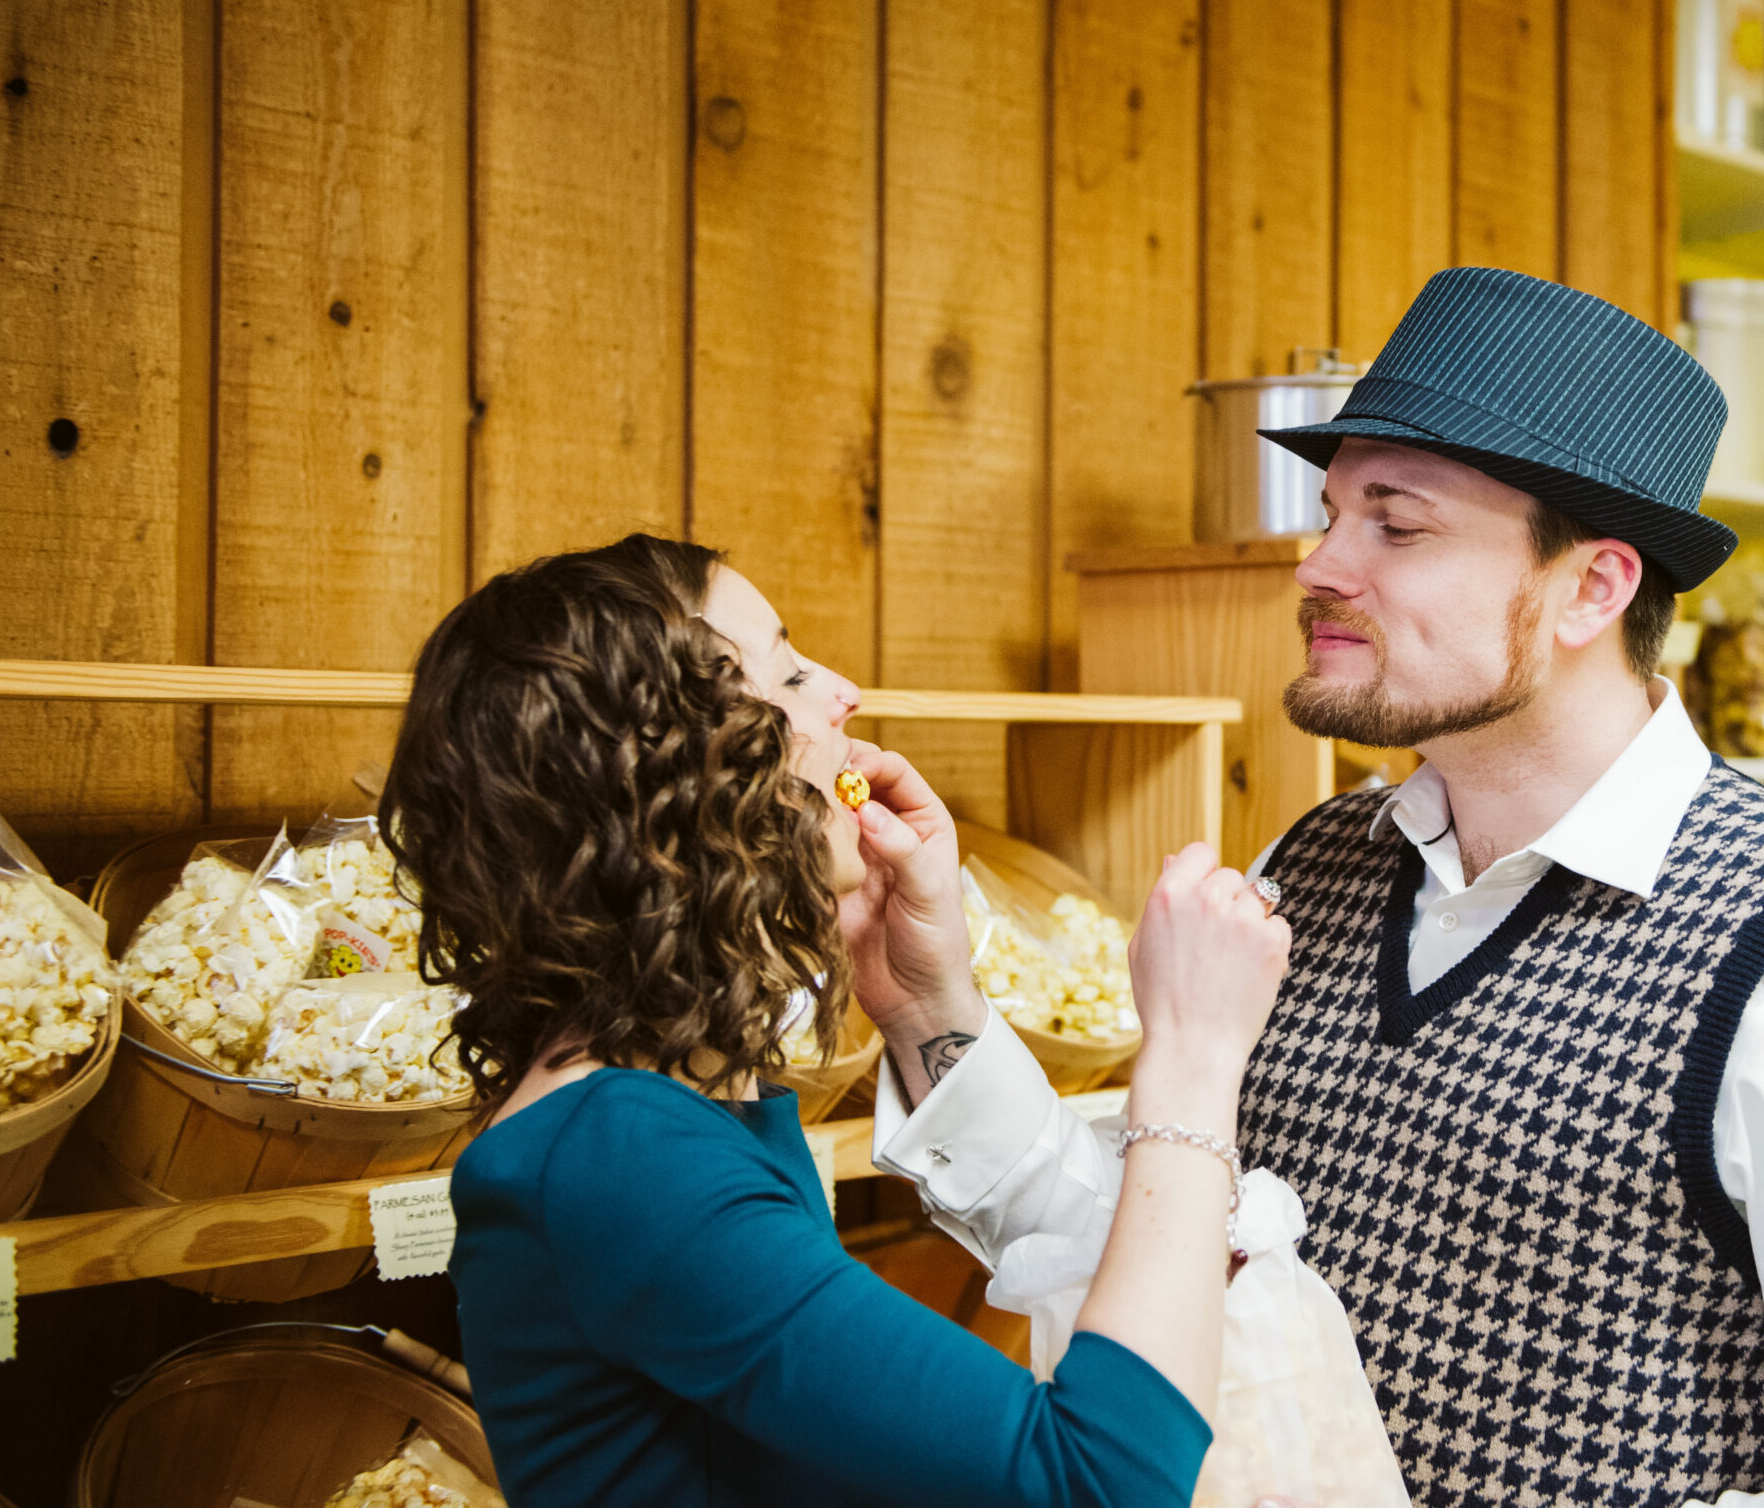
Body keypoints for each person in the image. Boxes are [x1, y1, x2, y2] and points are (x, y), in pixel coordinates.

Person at [869, 268, 1764, 1506]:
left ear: (1592, 588)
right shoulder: (1315, 864)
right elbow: (1157, 1246)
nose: (1319, 564)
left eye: (1395, 525)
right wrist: (929, 1001)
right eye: (1332, 510)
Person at [381, 534, 1292, 1507]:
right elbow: (1102, 1481)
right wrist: (1193, 1053)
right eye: (787, 669)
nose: (844, 690)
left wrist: (915, 997)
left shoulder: (671, 1107)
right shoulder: (624, 1154)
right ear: (673, 777)